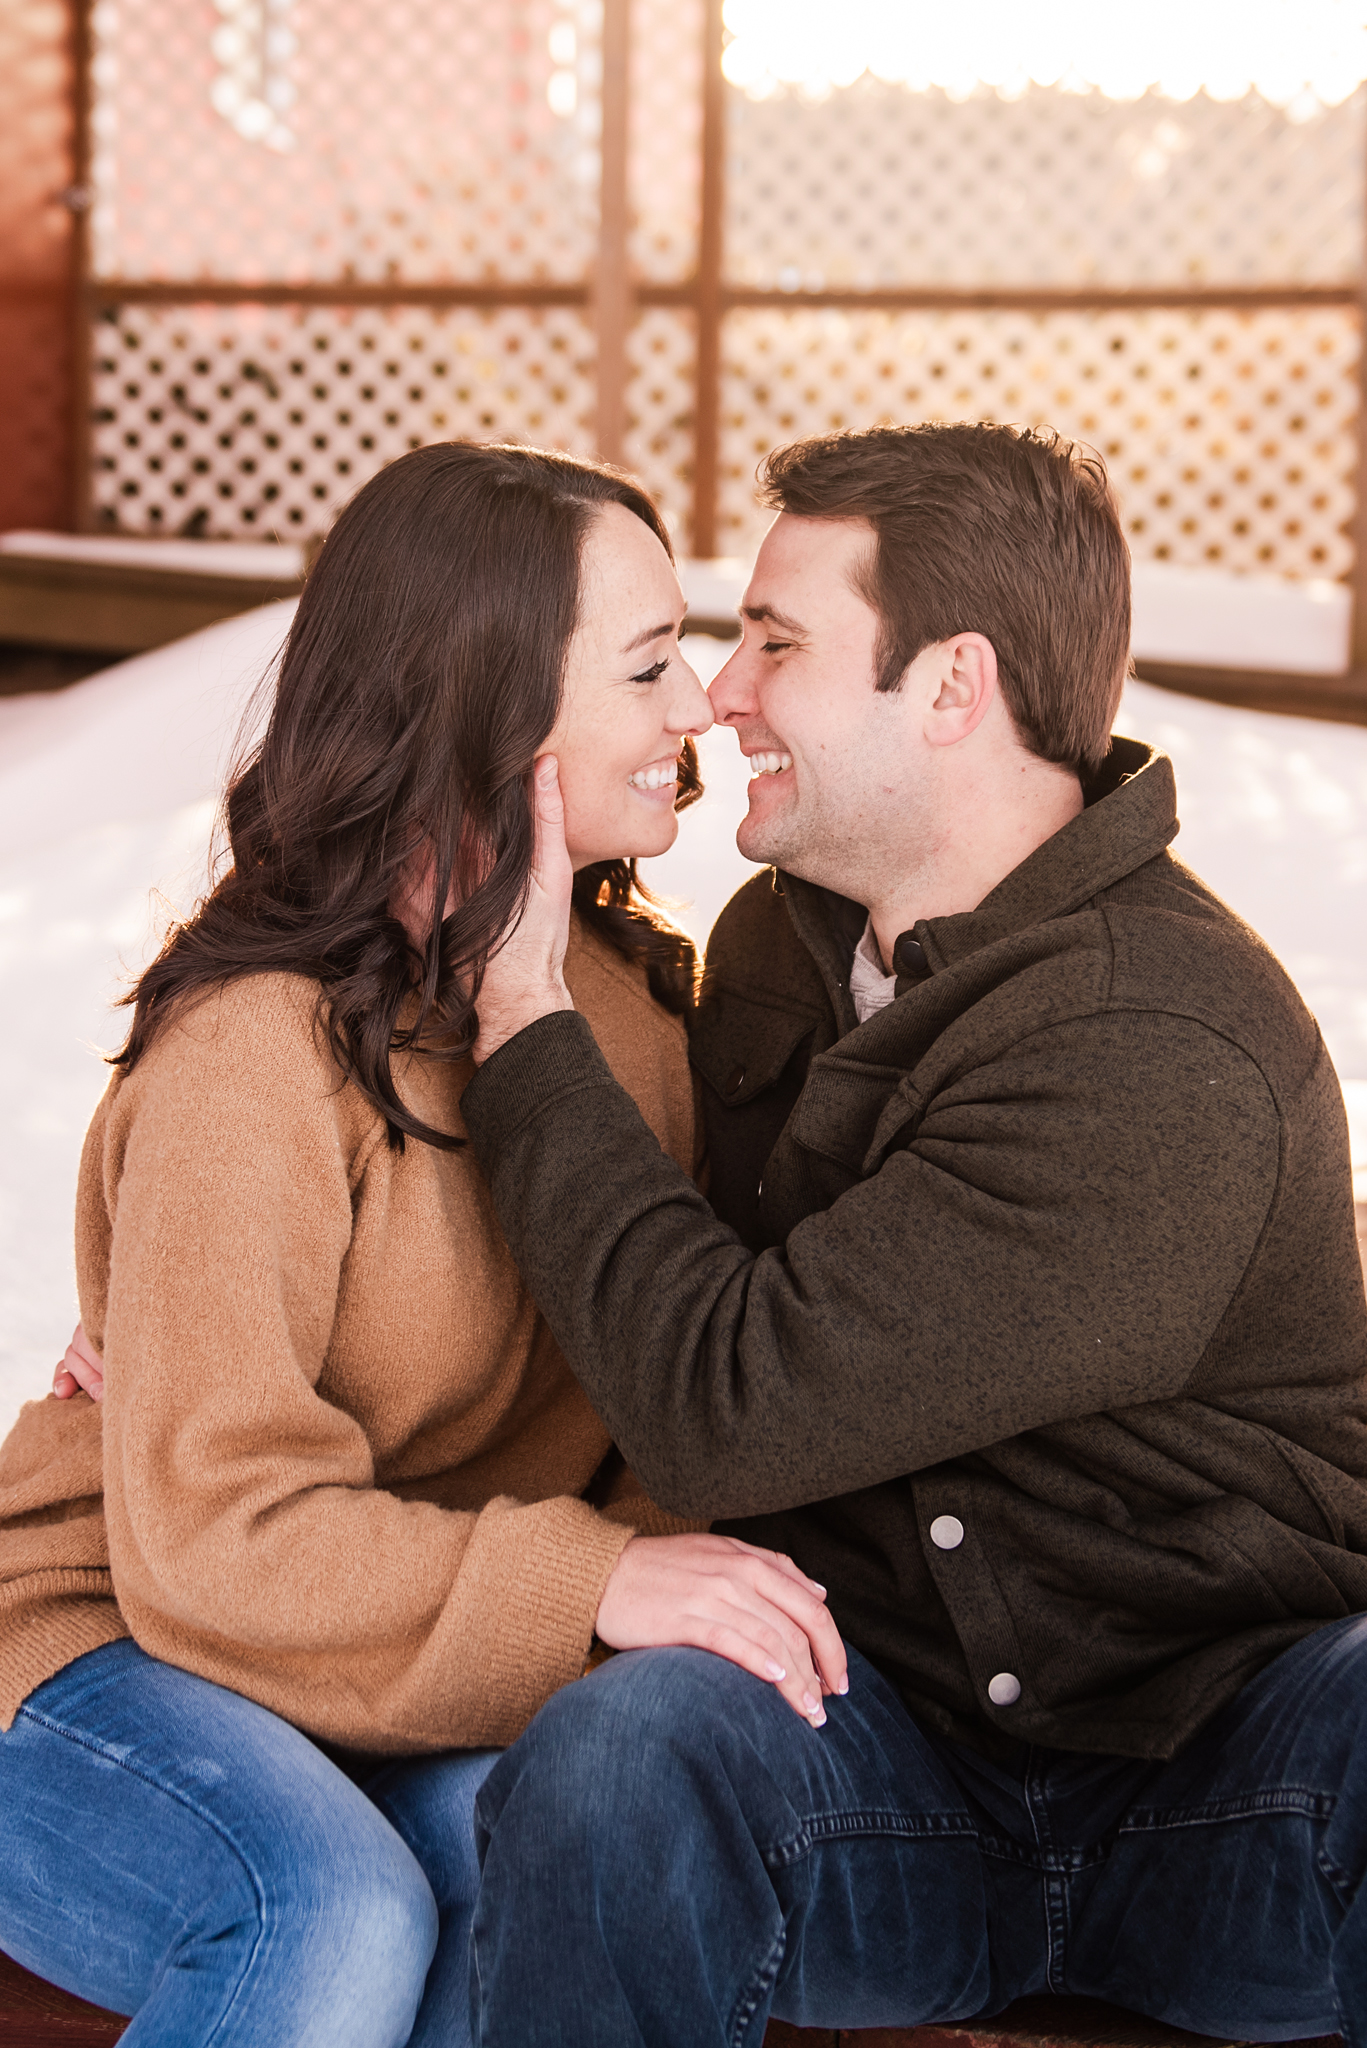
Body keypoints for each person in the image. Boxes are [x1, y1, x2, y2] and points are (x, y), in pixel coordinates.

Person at [456, 422, 1367, 2047]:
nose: (724, 694)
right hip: (885, 1771)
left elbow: (731, 1398)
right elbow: (653, 1263)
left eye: (778, 645)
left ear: (951, 687)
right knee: (625, 1756)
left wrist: (522, 1016)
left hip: (1227, 1786)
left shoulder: (1157, 1042)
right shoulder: (779, 952)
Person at [0, 440, 844, 2048]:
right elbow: (215, 1544)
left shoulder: (627, 1031)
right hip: (93, 1648)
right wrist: (594, 1579)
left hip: (385, 1666)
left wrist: (634, 1566)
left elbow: (672, 1398)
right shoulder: (257, 1051)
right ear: (491, 702)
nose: (702, 709)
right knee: (326, 1905)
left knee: (541, 1860)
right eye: (652, 662)